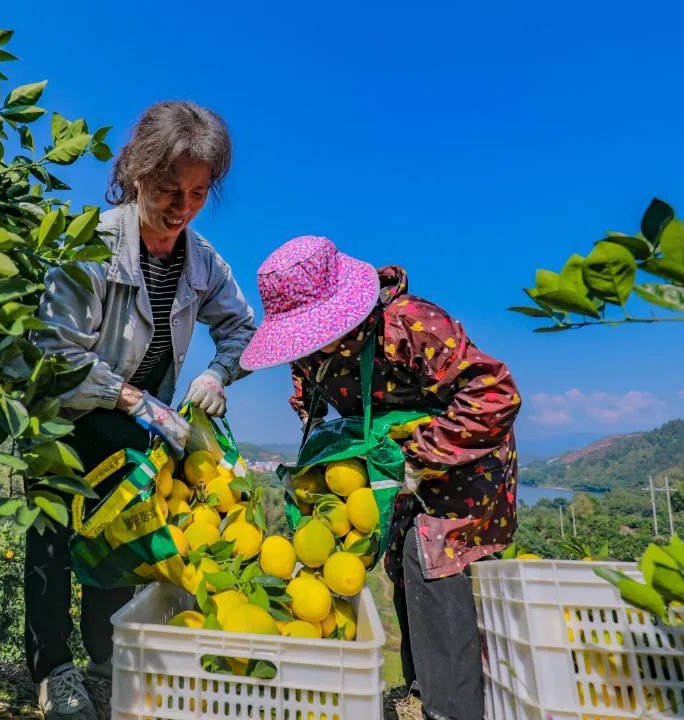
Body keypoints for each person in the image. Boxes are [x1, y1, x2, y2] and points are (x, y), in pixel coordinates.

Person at [29, 101, 256, 719]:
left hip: (138, 423)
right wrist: (134, 399)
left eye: (198, 193)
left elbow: (241, 329)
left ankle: (106, 657)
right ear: (135, 174)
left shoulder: (203, 261)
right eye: (167, 190)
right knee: (54, 539)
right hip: (69, 415)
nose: (181, 208)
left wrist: (216, 372)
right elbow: (54, 351)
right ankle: (53, 671)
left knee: (125, 537)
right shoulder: (93, 247)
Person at [240, 235, 519, 720]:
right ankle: (417, 690)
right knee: (399, 564)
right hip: (390, 464)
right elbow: (312, 393)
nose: (309, 345)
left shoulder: (411, 325)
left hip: (461, 455)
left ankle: (451, 710)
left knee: (431, 555)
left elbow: (494, 395)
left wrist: (421, 456)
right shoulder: (312, 352)